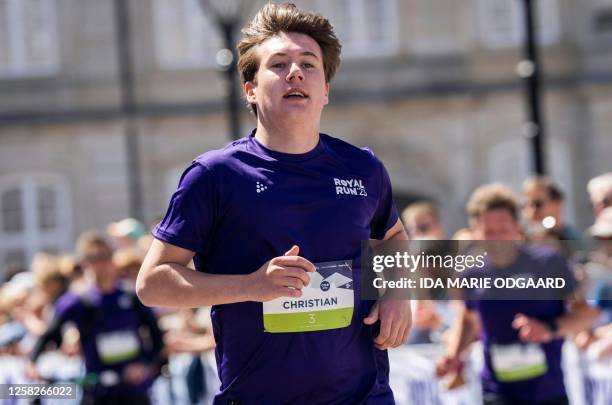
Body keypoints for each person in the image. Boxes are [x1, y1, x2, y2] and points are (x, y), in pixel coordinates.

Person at [136, 3, 411, 403]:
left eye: (308, 64)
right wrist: (252, 285)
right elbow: (152, 282)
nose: (295, 72)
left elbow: (394, 237)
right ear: (250, 89)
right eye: (279, 64)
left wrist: (398, 292)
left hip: (363, 394)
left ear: (325, 90)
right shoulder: (215, 176)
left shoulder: (363, 167)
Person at [436, 183, 598, 405]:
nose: (497, 239)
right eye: (488, 232)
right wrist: (453, 356)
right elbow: (468, 320)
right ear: (476, 232)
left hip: (547, 393)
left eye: (503, 230)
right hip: (497, 393)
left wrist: (549, 329)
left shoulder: (548, 263)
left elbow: (586, 314)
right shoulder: (471, 273)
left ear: (516, 227)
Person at [28, 232, 164, 405]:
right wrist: (32, 362)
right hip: (98, 390)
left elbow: (157, 336)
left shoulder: (131, 296)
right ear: (85, 263)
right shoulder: (76, 301)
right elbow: (50, 334)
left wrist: (145, 364)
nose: (102, 264)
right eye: (94, 258)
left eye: (106, 256)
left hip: (133, 390)